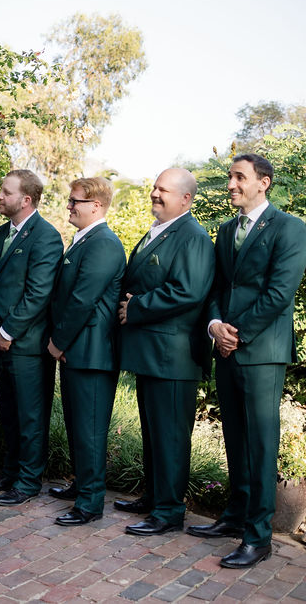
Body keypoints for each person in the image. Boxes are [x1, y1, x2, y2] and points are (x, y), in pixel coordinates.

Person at [189, 154, 306, 568]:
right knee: (235, 437)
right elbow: (220, 286)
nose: (231, 185)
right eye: (230, 177)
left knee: (260, 442)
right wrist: (216, 324)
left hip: (261, 352)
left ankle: (259, 538)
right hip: (227, 346)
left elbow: (280, 293)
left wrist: (237, 335)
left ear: (264, 183)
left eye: (240, 177)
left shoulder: (291, 228)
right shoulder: (225, 231)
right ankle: (235, 515)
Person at [117, 168, 214, 536]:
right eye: (155, 187)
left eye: (164, 190)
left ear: (186, 199)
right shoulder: (157, 231)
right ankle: (154, 496)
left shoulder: (193, 237)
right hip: (151, 354)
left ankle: (170, 511)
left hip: (173, 357)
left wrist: (137, 307)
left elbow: (188, 291)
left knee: (171, 435)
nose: (155, 193)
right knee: (153, 431)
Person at [45, 177, 126, 526]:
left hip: (93, 352)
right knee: (79, 425)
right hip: (79, 350)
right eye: (70, 200)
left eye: (75, 201)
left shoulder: (104, 243)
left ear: (96, 205)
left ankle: (91, 503)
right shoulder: (84, 241)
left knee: (91, 429)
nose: (69, 206)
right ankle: (82, 485)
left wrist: (57, 342)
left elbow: (82, 300)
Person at [0, 169, 62, 505]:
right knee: (10, 412)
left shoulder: (46, 236)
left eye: (5, 192)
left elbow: (38, 293)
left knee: (31, 415)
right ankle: (11, 472)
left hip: (27, 345)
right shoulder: (0, 234)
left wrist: (8, 331)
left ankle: (28, 483)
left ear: (25, 199)